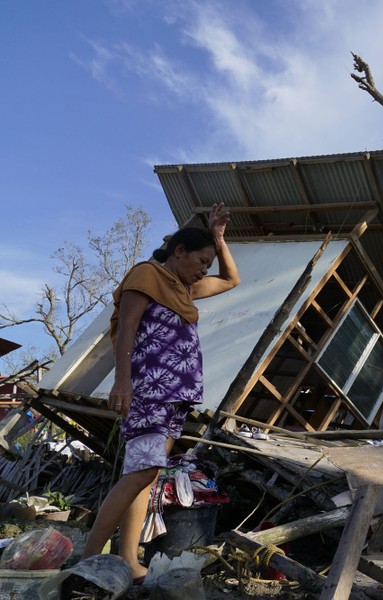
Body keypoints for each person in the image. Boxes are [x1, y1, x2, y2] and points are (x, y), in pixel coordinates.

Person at [81, 202, 240, 582]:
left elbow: (232, 279)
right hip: (149, 387)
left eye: (208, 263)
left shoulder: (183, 289)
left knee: (145, 475)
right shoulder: (147, 275)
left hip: (175, 392)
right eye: (201, 260)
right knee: (143, 471)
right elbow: (126, 330)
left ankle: (128, 559)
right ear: (178, 251)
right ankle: (88, 560)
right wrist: (123, 381)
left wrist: (218, 239)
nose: (205, 269)